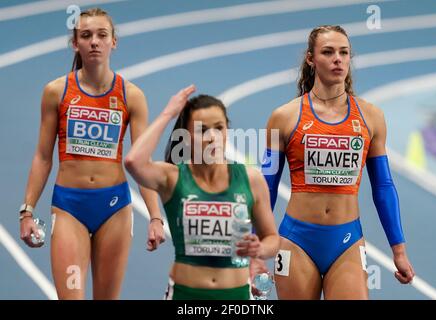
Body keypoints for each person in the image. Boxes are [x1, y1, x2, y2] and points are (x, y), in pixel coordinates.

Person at [19, 8, 164, 299]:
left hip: (115, 209)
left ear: (114, 42)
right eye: (86, 35)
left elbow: (141, 162)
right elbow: (43, 156)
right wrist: (27, 210)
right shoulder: (56, 91)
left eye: (102, 35)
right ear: (76, 43)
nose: (94, 42)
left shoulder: (131, 95)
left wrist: (155, 217)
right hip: (69, 207)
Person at [262, 25, 415, 299]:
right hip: (296, 239)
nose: (338, 59)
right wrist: (255, 250)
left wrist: (399, 250)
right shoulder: (284, 117)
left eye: (344, 52)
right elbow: (266, 187)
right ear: (311, 59)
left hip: (346, 241)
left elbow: (383, 186)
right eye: (328, 52)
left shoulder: (371, 117)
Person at [125, 88, 280, 300]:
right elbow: (134, 162)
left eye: (219, 128)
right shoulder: (173, 178)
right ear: (186, 136)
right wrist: (168, 114)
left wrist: (260, 249)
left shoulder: (251, 179)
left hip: (236, 297)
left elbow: (273, 239)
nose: (212, 137)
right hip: (185, 295)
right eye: (202, 130)